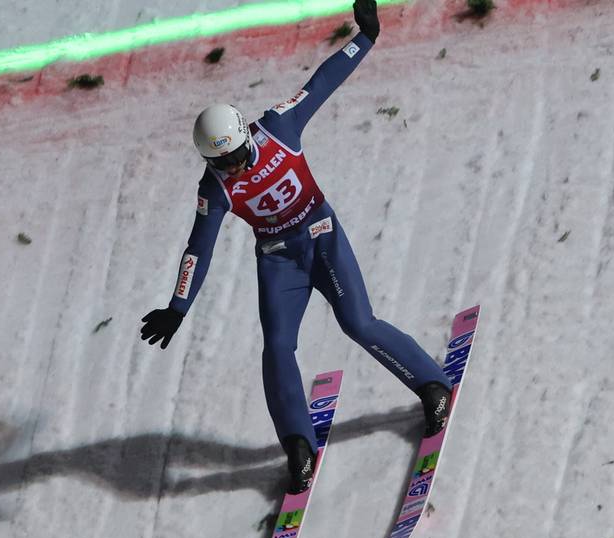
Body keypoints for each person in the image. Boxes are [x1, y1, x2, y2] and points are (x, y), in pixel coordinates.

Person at [140, 0, 451, 494]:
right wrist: (178, 307)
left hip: (320, 236)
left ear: (246, 135)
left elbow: (322, 83)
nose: (237, 169)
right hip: (279, 258)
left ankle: (430, 383)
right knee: (278, 349)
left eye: (239, 156)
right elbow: (199, 248)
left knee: (357, 322)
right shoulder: (214, 188)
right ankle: (297, 445)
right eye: (224, 164)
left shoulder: (278, 129)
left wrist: (365, 37)